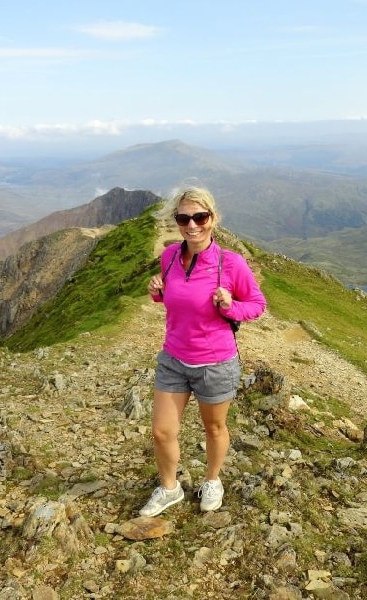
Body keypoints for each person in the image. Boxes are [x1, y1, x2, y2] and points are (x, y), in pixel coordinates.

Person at [139, 186, 267, 517]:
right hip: (174, 358)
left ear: (213, 219)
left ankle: (212, 480)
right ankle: (169, 489)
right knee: (161, 431)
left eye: (200, 217)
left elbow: (256, 305)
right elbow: (173, 301)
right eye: (184, 218)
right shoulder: (168, 257)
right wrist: (157, 292)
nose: (192, 225)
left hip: (215, 363)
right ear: (176, 222)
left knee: (214, 428)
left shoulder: (231, 264)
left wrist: (230, 307)